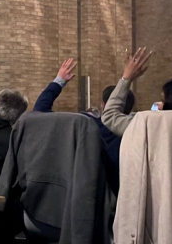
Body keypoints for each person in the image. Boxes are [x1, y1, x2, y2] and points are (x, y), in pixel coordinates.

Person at [32, 58, 135, 192]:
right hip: (122, 194)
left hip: (85, 192)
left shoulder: (86, 124)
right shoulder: (137, 129)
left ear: (104, 105)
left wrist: (59, 81)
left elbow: (40, 113)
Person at [101, 48, 172, 137]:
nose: (160, 104)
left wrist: (126, 78)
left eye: (164, 100)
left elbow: (110, 116)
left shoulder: (158, 126)